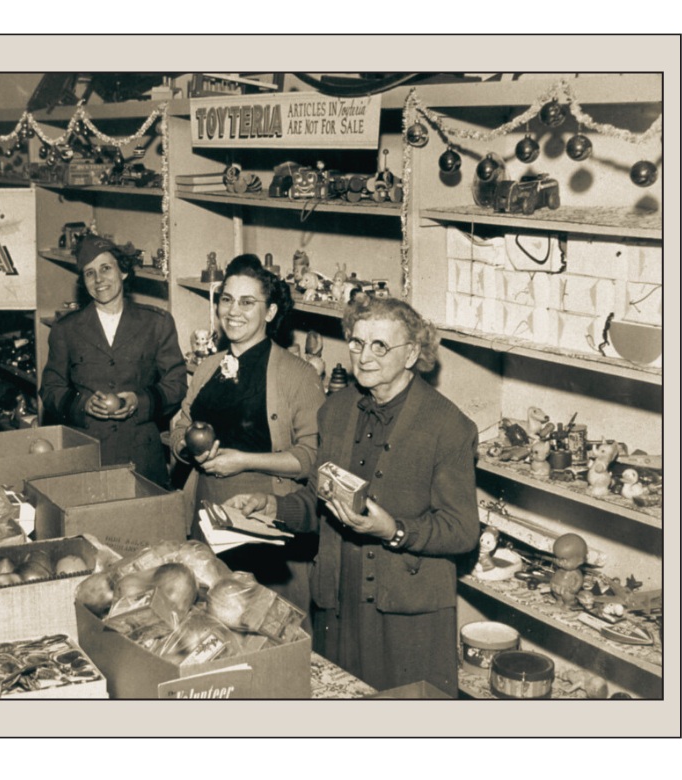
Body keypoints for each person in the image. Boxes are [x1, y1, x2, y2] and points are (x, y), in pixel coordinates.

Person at [226, 295, 479, 696]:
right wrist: (273, 506)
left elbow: (463, 531)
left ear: (412, 353)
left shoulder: (449, 426)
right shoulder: (336, 409)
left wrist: (393, 530)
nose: (363, 356)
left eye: (381, 346)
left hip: (406, 612)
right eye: (357, 342)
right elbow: (319, 500)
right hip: (338, 599)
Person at [169, 254, 326, 624]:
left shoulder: (298, 375)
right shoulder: (208, 365)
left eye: (247, 302)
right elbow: (182, 423)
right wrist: (188, 448)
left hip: (264, 519)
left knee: (266, 624)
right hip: (208, 511)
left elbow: (311, 456)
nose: (233, 311)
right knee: (211, 619)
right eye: (226, 299)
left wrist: (243, 460)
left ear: (270, 312)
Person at [40, 234, 187, 489]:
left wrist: (138, 401)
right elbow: (50, 389)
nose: (99, 280)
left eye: (106, 268)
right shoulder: (66, 329)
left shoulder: (157, 323)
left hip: (142, 457)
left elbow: (176, 384)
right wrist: (82, 405)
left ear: (124, 272)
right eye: (89, 273)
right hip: (86, 455)